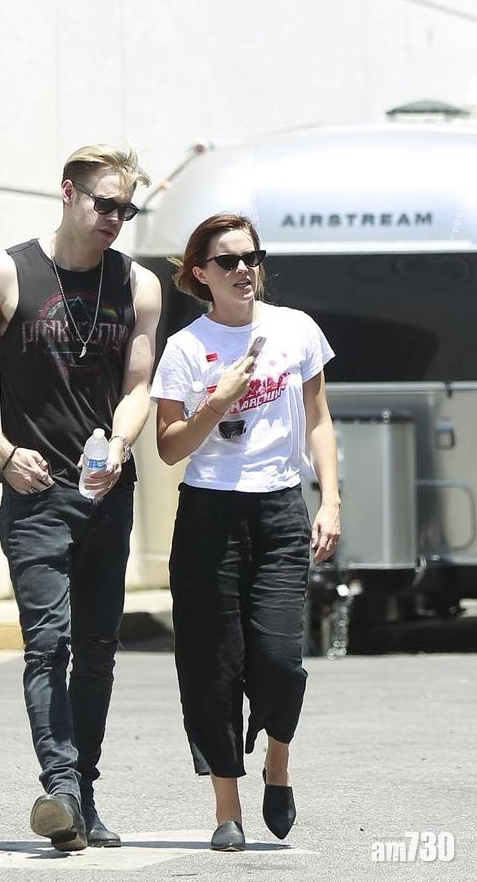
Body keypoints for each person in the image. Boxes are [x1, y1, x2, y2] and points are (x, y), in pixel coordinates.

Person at [0, 144, 161, 851]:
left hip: (107, 492)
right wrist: (3, 454)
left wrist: (121, 443)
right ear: (68, 193)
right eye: (105, 204)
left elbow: (138, 385)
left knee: (97, 649)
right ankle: (60, 788)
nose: (115, 218)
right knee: (48, 645)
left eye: (126, 209)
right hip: (35, 494)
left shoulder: (138, 284)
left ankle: (81, 797)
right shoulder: (5, 273)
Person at [150, 213, 340, 852]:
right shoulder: (185, 348)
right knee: (214, 665)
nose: (243, 270)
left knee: (280, 659)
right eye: (227, 261)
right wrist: (218, 400)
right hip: (209, 516)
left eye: (251, 257)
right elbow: (170, 447)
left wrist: (330, 499)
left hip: (280, 510)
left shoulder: (296, 329)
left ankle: (277, 762)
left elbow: (318, 418)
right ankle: (226, 807)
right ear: (200, 275)